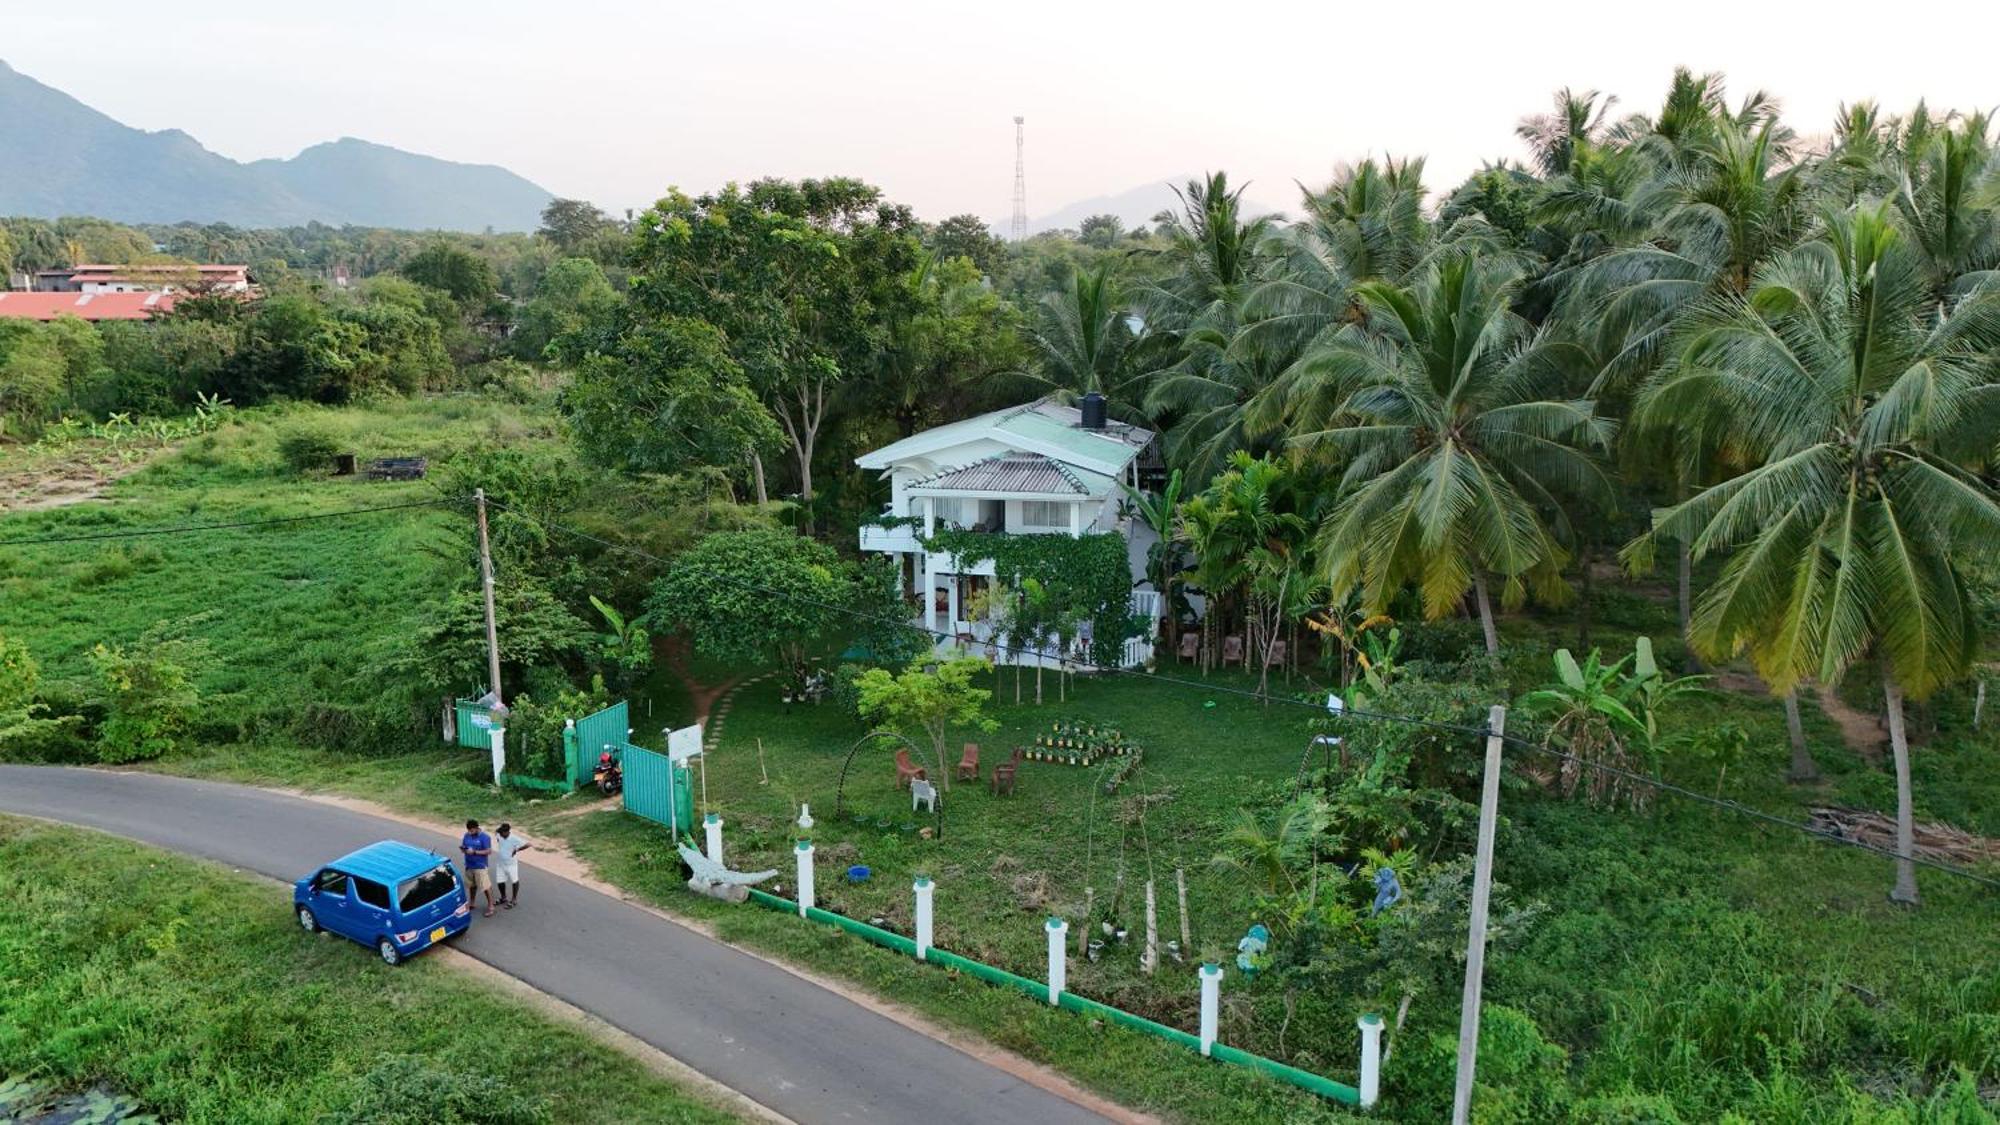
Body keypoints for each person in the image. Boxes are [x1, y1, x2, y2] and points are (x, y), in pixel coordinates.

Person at [492, 823, 538, 910]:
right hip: (500, 864)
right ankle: (503, 898)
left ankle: (514, 900)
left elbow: (528, 844)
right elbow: (496, 834)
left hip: (511, 864)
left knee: (514, 881)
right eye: (500, 832)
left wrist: (517, 849)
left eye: (502, 833)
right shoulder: (499, 835)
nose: (500, 834)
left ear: (507, 832)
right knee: (500, 882)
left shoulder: (514, 838)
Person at [460, 818, 495, 917]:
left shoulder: (485, 837)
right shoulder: (466, 835)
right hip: (469, 865)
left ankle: (491, 906)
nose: (470, 832)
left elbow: (488, 851)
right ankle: (472, 903)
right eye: (468, 830)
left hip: (480, 866)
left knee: (485, 886)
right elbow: (464, 845)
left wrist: (475, 852)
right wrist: (464, 849)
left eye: (471, 830)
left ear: (476, 828)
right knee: (471, 885)